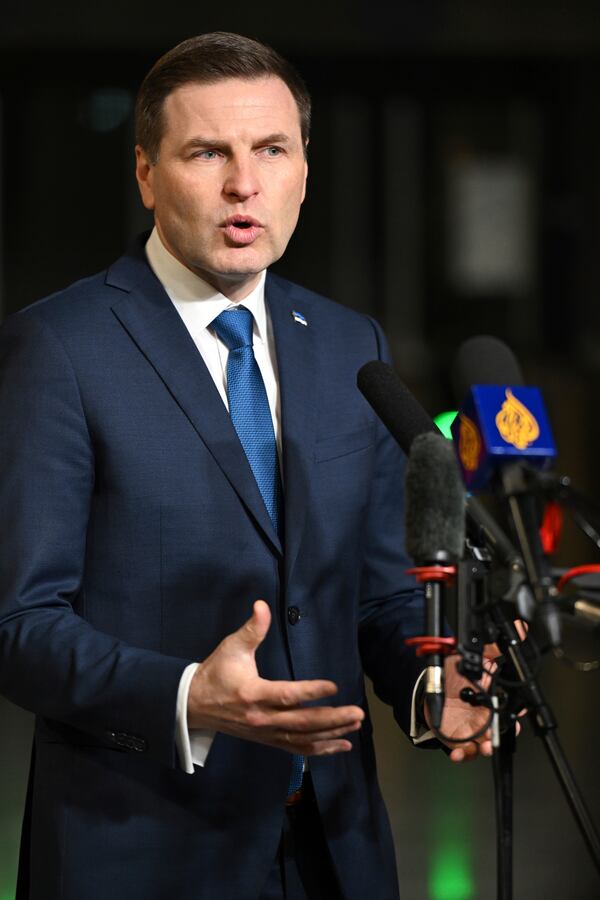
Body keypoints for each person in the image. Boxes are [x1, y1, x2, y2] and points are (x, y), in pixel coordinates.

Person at [0, 32, 494, 900]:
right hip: (143, 849)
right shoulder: (58, 348)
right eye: (207, 153)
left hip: (335, 847)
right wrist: (190, 695)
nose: (244, 184)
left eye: (272, 149)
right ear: (148, 175)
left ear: (305, 167)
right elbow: (18, 623)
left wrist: (429, 682)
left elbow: (376, 594)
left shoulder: (352, 346)